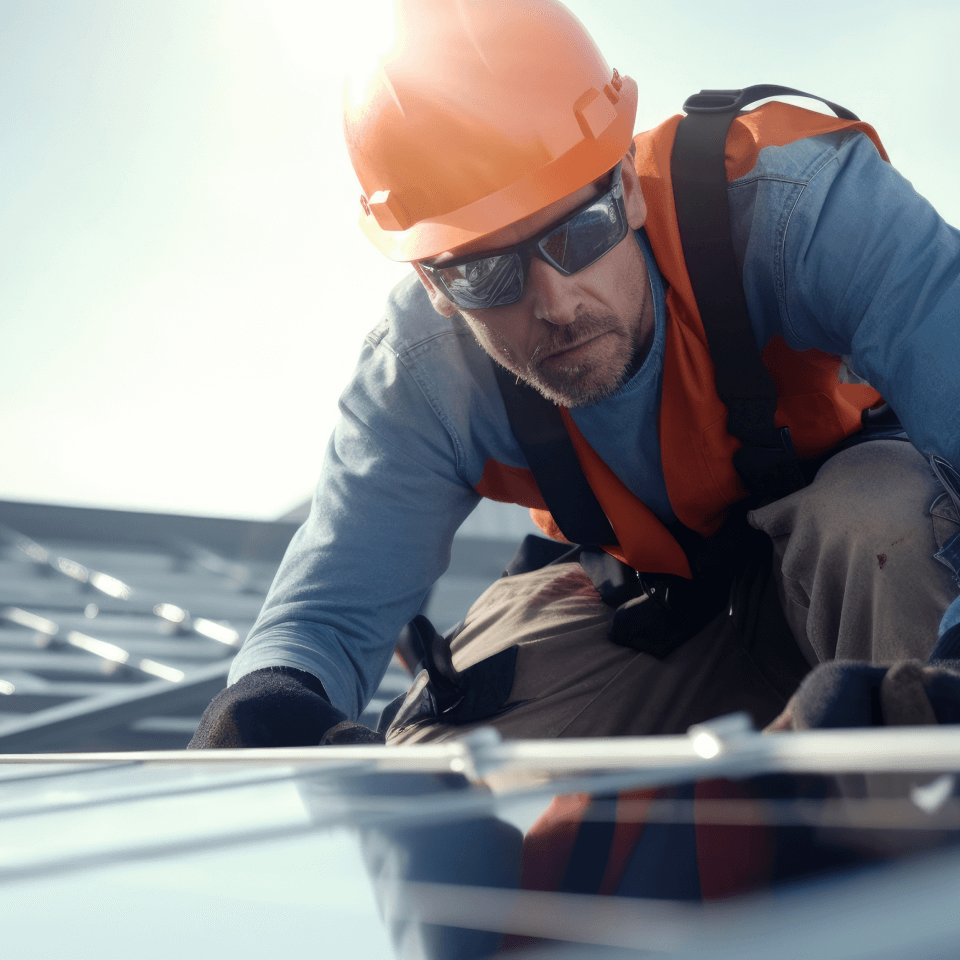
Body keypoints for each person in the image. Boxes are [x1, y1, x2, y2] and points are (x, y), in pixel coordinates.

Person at [189, 0, 960, 752]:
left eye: (578, 231)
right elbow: (322, 621)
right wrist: (269, 705)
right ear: (433, 283)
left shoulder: (798, 209)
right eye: (487, 276)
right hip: (652, 610)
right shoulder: (421, 376)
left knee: (881, 518)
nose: (553, 304)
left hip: (862, 572)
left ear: (625, 184)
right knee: (432, 759)